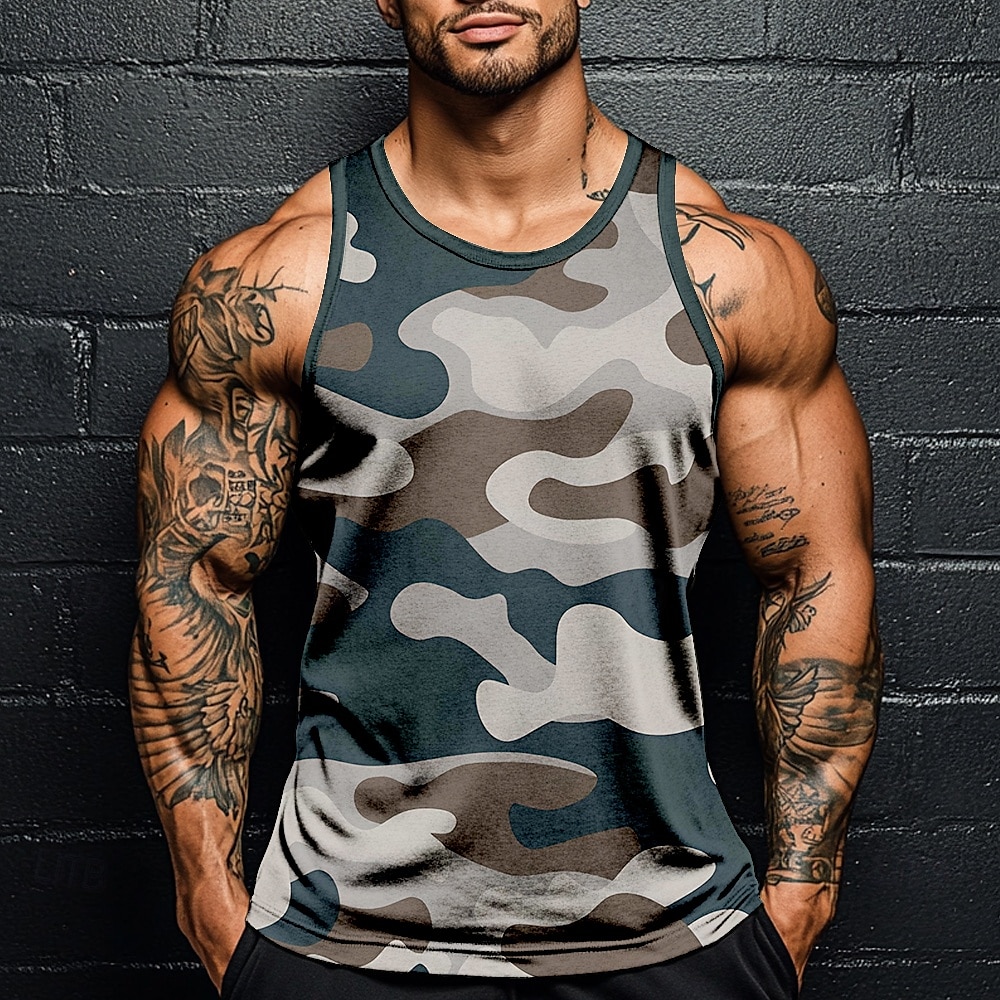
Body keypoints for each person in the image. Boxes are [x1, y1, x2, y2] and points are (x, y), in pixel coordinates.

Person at [129, 1, 883, 997]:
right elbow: (195, 582)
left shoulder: (726, 271)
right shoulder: (275, 284)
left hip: (673, 935)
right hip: (341, 941)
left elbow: (814, 575)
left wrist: (800, 896)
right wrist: (211, 900)